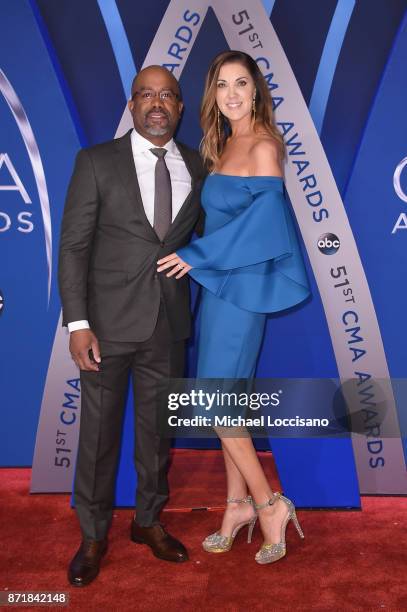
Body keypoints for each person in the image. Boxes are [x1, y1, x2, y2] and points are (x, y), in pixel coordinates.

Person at [157, 51, 310, 565]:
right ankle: (236, 506)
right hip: (220, 291)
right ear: (213, 95)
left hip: (243, 295)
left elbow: (264, 227)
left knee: (215, 405)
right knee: (230, 404)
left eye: (241, 83)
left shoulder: (264, 145)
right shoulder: (222, 145)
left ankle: (270, 504)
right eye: (222, 85)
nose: (232, 93)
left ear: (256, 89)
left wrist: (194, 255)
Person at [58, 65, 205, 586]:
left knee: (157, 436)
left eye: (167, 96)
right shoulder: (97, 161)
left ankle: (148, 522)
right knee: (98, 436)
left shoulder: (198, 166)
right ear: (131, 105)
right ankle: (93, 535)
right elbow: (73, 247)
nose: (157, 104)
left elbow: (204, 243)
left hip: (168, 326)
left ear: (181, 108)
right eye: (146, 95)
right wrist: (78, 323)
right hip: (105, 327)